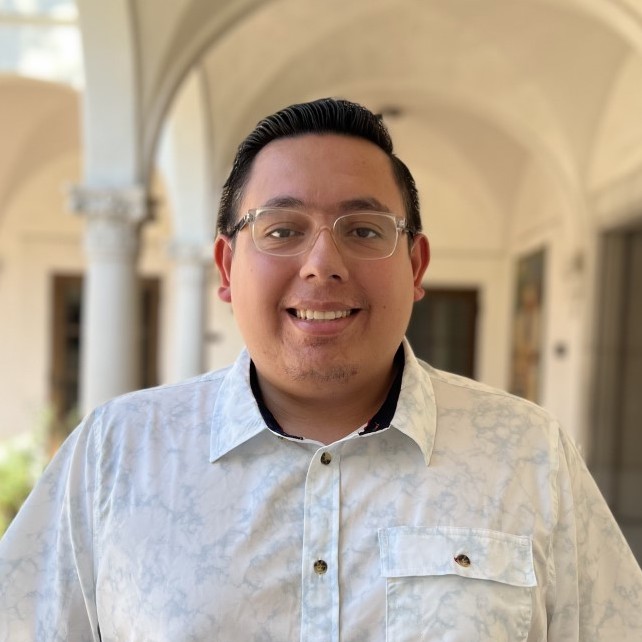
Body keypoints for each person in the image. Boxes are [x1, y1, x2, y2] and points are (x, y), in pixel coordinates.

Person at [1, 98, 641, 641]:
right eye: (281, 230)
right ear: (226, 269)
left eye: (363, 230)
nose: (321, 263)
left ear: (414, 267)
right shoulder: (117, 455)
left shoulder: (528, 457)